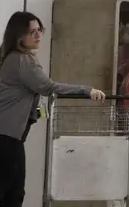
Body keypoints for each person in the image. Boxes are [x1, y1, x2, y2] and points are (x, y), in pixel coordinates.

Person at [0, 12, 105, 207]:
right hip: (6, 139)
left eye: (39, 30)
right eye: (32, 32)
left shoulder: (15, 58)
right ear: (19, 36)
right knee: (12, 194)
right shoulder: (22, 61)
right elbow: (48, 87)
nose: (38, 35)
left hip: (9, 137)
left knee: (12, 193)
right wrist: (86, 90)